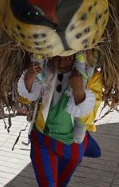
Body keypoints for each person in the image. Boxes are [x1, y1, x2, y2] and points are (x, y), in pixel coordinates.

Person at [18, 55, 102, 187]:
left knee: (62, 183)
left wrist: (78, 90)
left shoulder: (92, 77)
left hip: (71, 144)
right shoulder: (45, 70)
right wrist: (29, 76)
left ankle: (88, 145)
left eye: (68, 58)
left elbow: (89, 117)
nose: (62, 63)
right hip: (42, 139)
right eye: (58, 58)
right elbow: (25, 99)